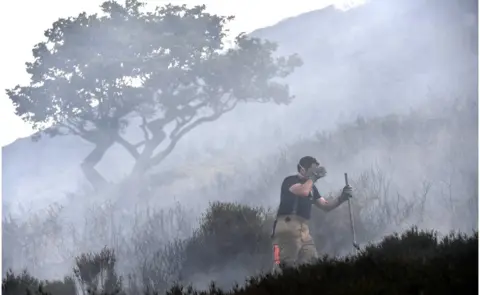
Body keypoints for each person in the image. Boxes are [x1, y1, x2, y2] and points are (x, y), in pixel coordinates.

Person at [271, 156, 353, 271]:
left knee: (312, 262)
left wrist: (342, 198)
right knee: (286, 265)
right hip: (287, 227)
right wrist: (313, 178)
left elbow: (325, 205)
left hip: (304, 230)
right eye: (313, 170)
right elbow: (303, 191)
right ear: (303, 169)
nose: (316, 173)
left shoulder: (312, 188)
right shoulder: (290, 181)